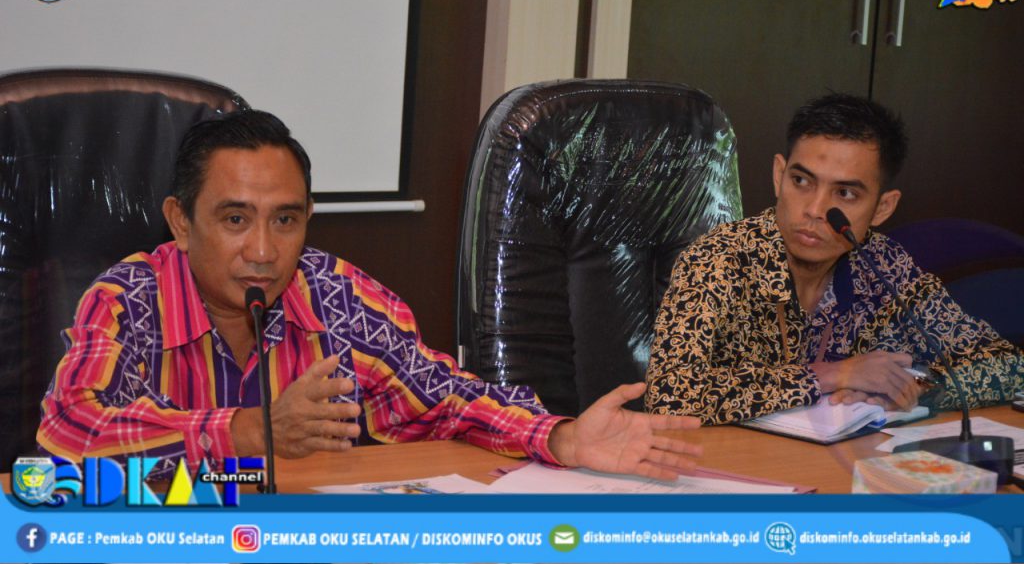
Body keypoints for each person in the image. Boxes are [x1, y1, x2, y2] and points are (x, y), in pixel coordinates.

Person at [38, 110, 702, 480]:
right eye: (235, 219)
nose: (264, 251)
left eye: (286, 220)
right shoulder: (129, 300)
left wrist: (560, 437)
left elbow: (443, 398)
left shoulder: (334, 295)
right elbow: (68, 431)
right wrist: (248, 430)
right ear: (181, 222)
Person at [645, 93, 1023, 424]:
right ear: (779, 175)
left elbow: (1007, 365)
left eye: (845, 193)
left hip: (836, 462)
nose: (814, 209)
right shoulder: (718, 259)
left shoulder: (883, 264)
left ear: (882, 208)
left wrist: (912, 386)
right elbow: (671, 396)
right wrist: (829, 375)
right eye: (801, 181)